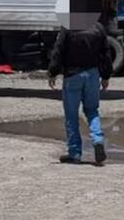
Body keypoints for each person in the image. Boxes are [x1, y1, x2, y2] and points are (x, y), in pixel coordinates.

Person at [48, 17, 113, 166]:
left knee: (71, 116)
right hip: (92, 75)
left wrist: (53, 72)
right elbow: (106, 54)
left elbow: (58, 50)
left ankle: (75, 153)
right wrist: (105, 76)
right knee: (92, 110)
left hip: (72, 76)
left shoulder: (68, 28)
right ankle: (97, 140)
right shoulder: (98, 28)